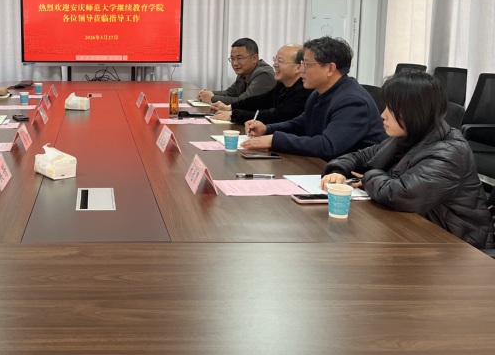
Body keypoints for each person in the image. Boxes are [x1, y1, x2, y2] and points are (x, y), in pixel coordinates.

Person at [321, 72, 493, 248]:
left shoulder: (450, 152)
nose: (383, 115)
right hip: (419, 234)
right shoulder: (408, 136)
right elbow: (360, 156)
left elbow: (399, 194)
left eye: (391, 109)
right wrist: (338, 171)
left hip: (458, 247)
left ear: (415, 112)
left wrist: (368, 177)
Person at [243, 36, 386, 159]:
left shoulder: (353, 101)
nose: (301, 69)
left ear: (330, 69)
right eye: (302, 63)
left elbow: (328, 146)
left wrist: (276, 140)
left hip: (352, 176)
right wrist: (267, 129)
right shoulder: (319, 93)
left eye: (307, 64)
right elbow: (301, 124)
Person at [210, 44, 312, 124]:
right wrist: (231, 107)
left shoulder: (305, 90)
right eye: (275, 60)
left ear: (298, 67)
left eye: (280, 61)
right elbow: (263, 100)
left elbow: (276, 117)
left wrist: (234, 115)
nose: (274, 65)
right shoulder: (282, 84)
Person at [197, 38, 275, 105]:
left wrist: (212, 98)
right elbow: (229, 93)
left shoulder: (264, 74)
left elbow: (243, 102)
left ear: (254, 58)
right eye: (232, 59)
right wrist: (208, 93)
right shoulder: (244, 72)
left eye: (239, 58)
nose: (235, 63)